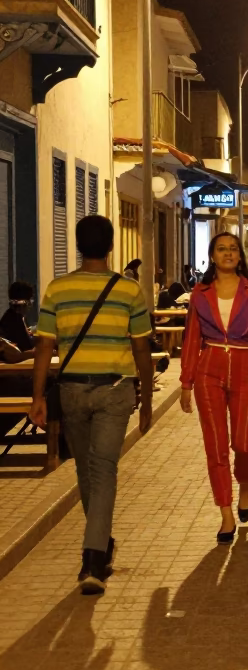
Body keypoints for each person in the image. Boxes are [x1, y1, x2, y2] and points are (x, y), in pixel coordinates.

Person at [30, 215, 153, 593]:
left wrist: (36, 398)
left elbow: (44, 346)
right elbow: (141, 348)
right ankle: (95, 555)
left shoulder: (57, 289)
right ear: (112, 245)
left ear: (79, 245)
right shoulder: (129, 290)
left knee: (90, 470)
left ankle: (95, 551)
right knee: (98, 471)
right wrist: (146, 399)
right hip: (114, 389)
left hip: (71, 391)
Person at [180, 233, 248, 542]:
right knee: (216, 445)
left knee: (243, 443)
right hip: (208, 368)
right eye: (221, 249)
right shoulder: (200, 293)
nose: (228, 253)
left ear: (240, 256)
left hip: (245, 367)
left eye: (233, 249)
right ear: (212, 255)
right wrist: (186, 381)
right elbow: (191, 338)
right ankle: (225, 513)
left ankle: (245, 485)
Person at [0, 281, 36, 351]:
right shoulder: (15, 320)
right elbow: (27, 346)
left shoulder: (11, 316)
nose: (32, 304)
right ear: (26, 302)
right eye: (31, 300)